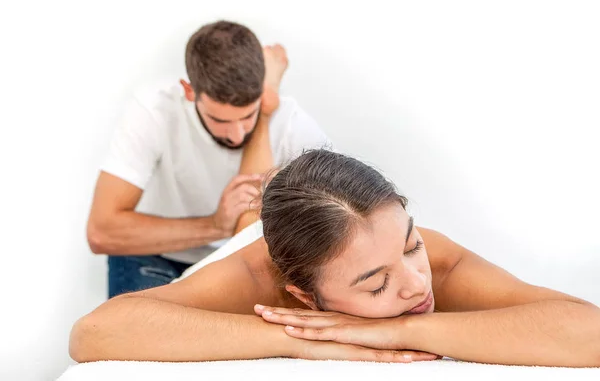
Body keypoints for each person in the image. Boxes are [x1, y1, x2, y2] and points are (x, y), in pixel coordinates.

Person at [70, 146, 600, 367]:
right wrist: (301, 336)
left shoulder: (431, 262)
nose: (417, 285)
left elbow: (589, 330)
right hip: (256, 245)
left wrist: (398, 328)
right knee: (244, 222)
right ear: (304, 296)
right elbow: (93, 333)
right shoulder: (255, 280)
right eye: (376, 285)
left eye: (410, 244)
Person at [86, 20, 331, 298]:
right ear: (190, 92)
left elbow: (334, 225)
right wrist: (215, 226)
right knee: (134, 338)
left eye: (248, 115)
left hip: (238, 261)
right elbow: (102, 232)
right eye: (221, 120)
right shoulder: (154, 111)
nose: (238, 134)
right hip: (151, 255)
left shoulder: (291, 124)